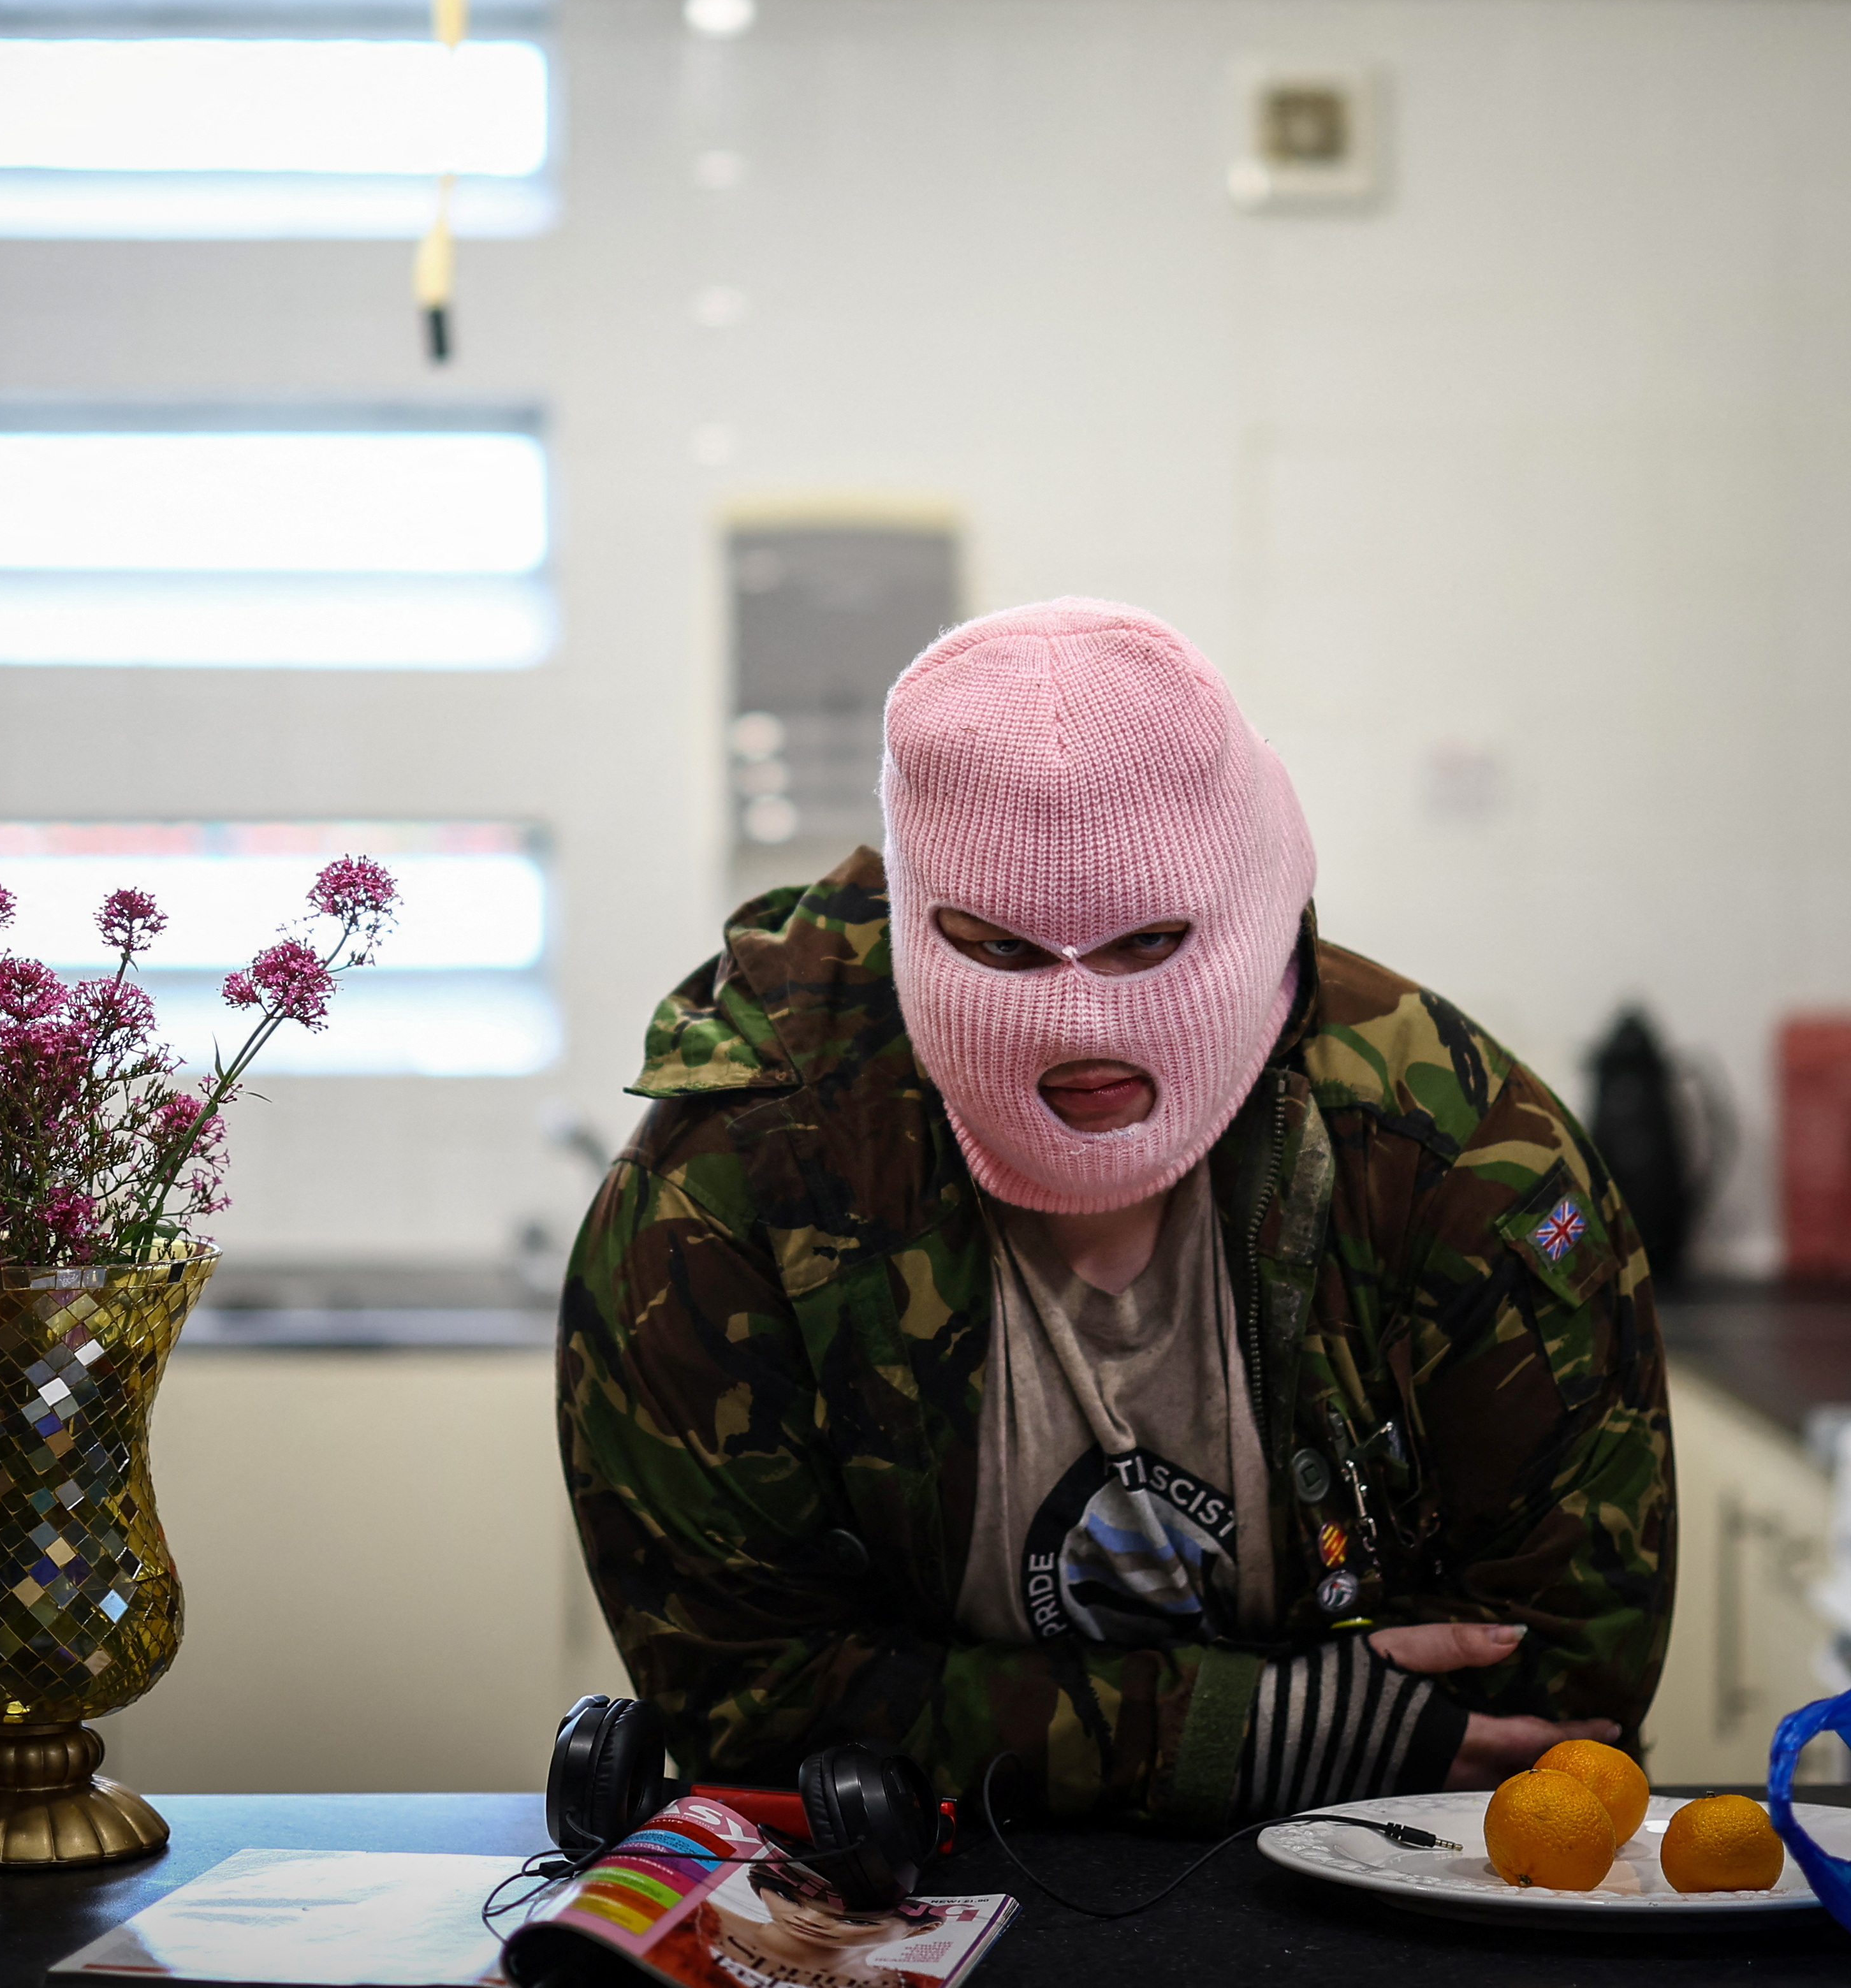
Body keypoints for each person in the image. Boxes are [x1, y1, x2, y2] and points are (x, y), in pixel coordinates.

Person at [557, 600, 1671, 1832]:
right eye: (1000, 949)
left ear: (1255, 901)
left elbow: (1563, 1710)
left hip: (1391, 1893)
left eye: (1150, 942)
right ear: (913, 929)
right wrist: (1263, 1731)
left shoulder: (1454, 1156)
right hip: (902, 1909)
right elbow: (744, 1693)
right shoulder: (739, 1189)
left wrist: (964, 1711)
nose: (1082, 1021)